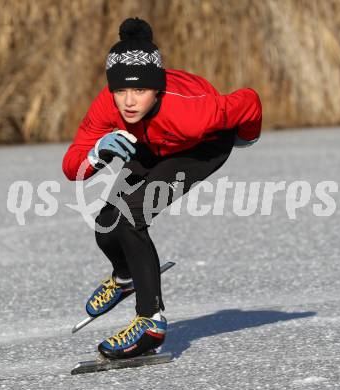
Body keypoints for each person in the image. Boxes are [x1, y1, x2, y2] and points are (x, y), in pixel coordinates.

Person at [62, 17, 262, 360]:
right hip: (146, 144)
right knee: (106, 224)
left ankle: (150, 322)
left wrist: (247, 137)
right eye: (121, 90)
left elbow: (249, 101)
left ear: (157, 88)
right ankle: (125, 277)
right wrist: (97, 153)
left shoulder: (194, 110)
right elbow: (72, 166)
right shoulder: (107, 107)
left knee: (130, 216)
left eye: (139, 90)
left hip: (198, 148)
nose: (128, 101)